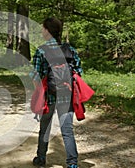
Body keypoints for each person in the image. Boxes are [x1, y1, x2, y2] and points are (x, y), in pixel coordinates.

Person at [30, 17, 82, 168]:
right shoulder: (70, 50)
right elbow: (78, 73)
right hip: (67, 95)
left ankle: (41, 160)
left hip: (49, 96)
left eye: (43, 28)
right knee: (67, 131)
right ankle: (72, 163)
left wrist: (39, 94)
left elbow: (36, 76)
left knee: (45, 128)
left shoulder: (41, 50)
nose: (41, 30)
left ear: (47, 31)